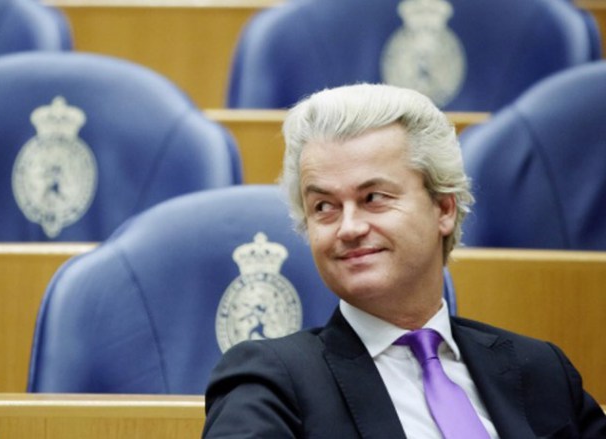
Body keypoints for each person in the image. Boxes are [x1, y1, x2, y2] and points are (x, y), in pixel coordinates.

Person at [202, 84, 606, 438]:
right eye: (324, 206)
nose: (349, 228)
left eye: (373, 198)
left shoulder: (540, 370)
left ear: (443, 208)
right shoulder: (269, 381)